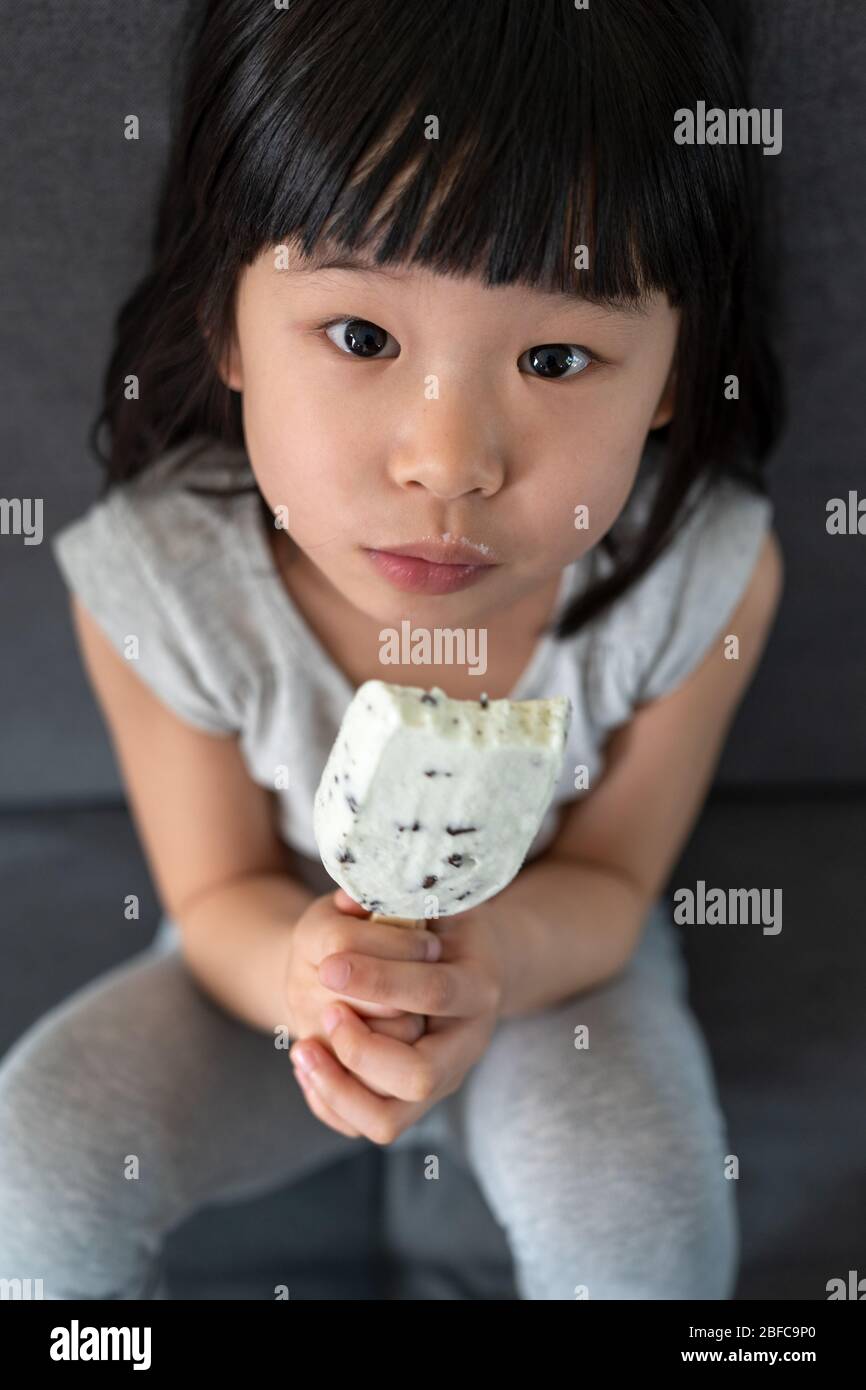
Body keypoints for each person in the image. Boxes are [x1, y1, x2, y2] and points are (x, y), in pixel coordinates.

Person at [0, 0, 785, 1299]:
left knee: (639, 1207)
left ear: (669, 372)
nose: (450, 463)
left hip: (548, 962)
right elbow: (211, 898)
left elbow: (609, 881)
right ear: (225, 327)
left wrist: (487, 963)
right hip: (266, 959)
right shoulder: (164, 589)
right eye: (360, 336)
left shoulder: (697, 580)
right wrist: (315, 976)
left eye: (555, 353)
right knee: (33, 1160)